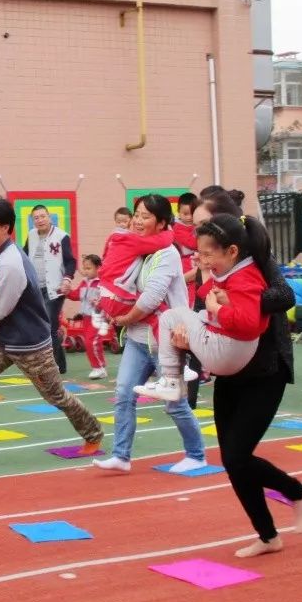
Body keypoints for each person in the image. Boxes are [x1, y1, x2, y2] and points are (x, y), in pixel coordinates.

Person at [181, 191, 302, 559]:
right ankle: (268, 535)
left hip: (265, 368)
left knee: (239, 456)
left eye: (207, 245)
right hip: (230, 367)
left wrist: (235, 303)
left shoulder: (255, 267)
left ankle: (296, 491)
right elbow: (200, 315)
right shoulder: (214, 271)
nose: (201, 254)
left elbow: (282, 297)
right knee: (232, 460)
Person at [0, 197, 103, 458]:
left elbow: (0, 307)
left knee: (56, 396)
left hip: (31, 345)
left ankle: (93, 433)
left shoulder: (10, 263)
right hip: (6, 339)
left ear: (5, 227)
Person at [93, 194, 207, 473]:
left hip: (164, 340)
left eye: (145, 216)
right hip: (137, 338)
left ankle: (196, 454)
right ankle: (121, 456)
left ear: (162, 222)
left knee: (175, 403)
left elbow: (152, 298)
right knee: (123, 393)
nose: (138, 221)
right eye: (137, 215)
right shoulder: (139, 248)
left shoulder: (166, 254)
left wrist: (123, 318)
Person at [138, 214, 270, 403]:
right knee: (192, 316)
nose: (204, 260)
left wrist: (217, 309)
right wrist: (206, 271)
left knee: (170, 317)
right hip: (233, 350)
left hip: (227, 349)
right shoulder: (234, 269)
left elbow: (248, 323)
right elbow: (211, 293)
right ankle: (178, 379)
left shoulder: (245, 277)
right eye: (200, 253)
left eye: (208, 254)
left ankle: (171, 381)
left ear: (232, 251)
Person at [23, 204, 75, 373]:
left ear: (49, 217)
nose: (40, 220)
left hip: (56, 288)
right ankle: (59, 365)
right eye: (36, 218)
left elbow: (70, 261)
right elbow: (23, 257)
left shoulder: (62, 236)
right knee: (43, 327)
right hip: (36, 289)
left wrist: (67, 279)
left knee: (49, 326)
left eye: (42, 216)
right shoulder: (31, 236)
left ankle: (53, 366)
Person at [66, 253, 108, 380]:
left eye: (89, 268)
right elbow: (76, 295)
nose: (86, 271)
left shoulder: (102, 283)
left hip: (97, 317)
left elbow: (107, 299)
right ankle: (101, 366)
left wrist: (100, 303)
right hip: (86, 317)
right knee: (95, 342)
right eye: (84, 268)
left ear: (98, 268)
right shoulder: (84, 283)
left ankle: (98, 368)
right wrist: (67, 293)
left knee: (91, 342)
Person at [174, 193, 199, 304]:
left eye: (192, 213)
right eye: (185, 214)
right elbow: (193, 243)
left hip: (194, 260)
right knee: (189, 288)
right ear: (179, 212)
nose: (189, 217)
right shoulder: (177, 228)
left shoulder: (195, 226)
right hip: (186, 263)